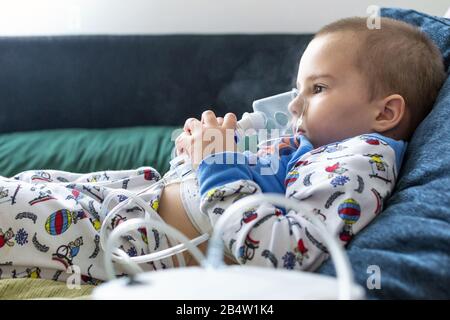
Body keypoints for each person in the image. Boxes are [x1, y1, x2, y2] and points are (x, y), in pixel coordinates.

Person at [0, 16, 445, 283]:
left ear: (385, 113)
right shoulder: (311, 147)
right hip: (127, 199)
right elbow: (230, 186)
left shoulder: (360, 159)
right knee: (25, 185)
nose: (294, 104)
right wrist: (194, 156)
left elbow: (284, 249)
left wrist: (215, 162)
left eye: (319, 88)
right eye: (298, 87)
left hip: (122, 238)